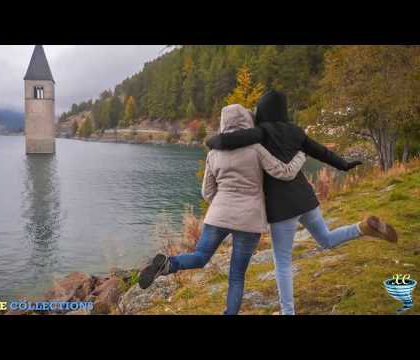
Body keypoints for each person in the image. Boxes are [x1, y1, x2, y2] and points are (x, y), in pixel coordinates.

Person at [206, 90, 398, 315]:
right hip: (306, 200)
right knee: (325, 239)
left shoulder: (261, 133)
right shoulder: (296, 132)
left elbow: (227, 141)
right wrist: (344, 165)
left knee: (283, 264)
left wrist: (211, 140)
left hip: (282, 209)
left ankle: (289, 312)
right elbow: (322, 152)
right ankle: (362, 228)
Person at [139, 104, 306, 315]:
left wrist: (221, 205)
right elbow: (285, 172)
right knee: (236, 276)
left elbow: (207, 192)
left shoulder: (214, 153)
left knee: (200, 256)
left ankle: (167, 264)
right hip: (249, 219)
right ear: (247, 121)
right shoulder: (256, 149)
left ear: (223, 123)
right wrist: (301, 154)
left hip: (218, 214)